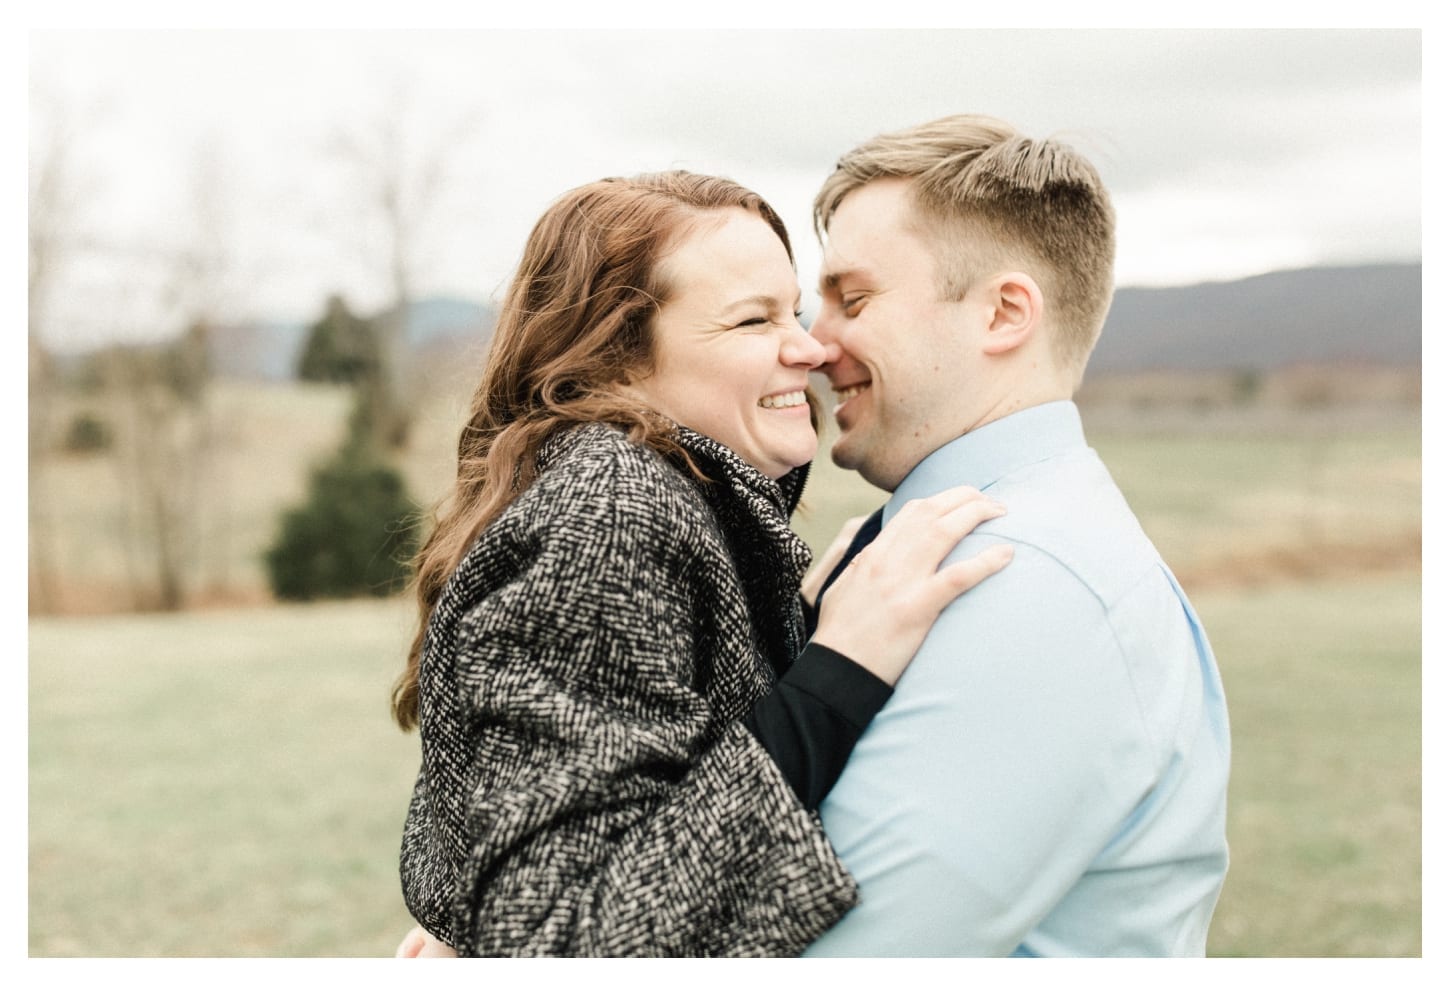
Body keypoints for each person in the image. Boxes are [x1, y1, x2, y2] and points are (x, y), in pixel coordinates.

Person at [391, 170, 1013, 957]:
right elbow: (559, 944)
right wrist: (838, 672)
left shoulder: (668, 499)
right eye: (753, 320)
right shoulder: (610, 510)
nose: (813, 347)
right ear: (617, 361)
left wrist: (805, 631)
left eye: (793, 309)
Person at [794, 114, 1231, 957]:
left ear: (1003, 313)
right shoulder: (962, 549)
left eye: (853, 299)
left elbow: (836, 959)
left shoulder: (1024, 584)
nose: (813, 345)